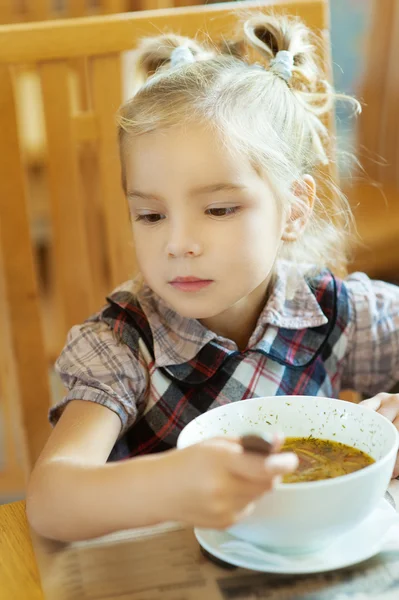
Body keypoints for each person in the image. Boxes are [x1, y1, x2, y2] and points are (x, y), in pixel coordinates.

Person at [26, 14, 399, 542]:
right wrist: (170, 485)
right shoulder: (125, 344)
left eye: (219, 209)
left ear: (294, 209)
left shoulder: (335, 312)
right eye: (151, 216)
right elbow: (49, 502)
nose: (179, 242)